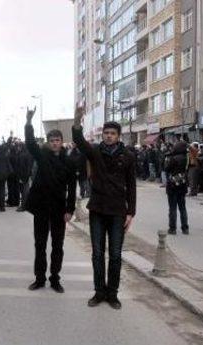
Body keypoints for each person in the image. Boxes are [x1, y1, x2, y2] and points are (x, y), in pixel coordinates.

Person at [73, 105, 136, 310]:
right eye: (106, 133)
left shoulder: (127, 156)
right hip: (98, 210)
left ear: (118, 136)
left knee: (116, 255)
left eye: (112, 133)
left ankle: (113, 294)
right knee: (97, 253)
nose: (108, 136)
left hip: (118, 211)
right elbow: (80, 142)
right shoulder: (95, 152)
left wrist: (131, 212)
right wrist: (77, 121)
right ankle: (99, 292)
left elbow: (132, 185)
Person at [24, 107, 76, 293]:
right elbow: (30, 144)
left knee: (57, 246)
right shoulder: (42, 156)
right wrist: (29, 122)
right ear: (48, 143)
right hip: (41, 208)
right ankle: (39, 278)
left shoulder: (69, 162)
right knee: (40, 244)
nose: (55, 143)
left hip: (59, 209)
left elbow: (72, 187)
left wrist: (70, 210)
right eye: (52, 141)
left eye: (57, 141)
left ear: (62, 142)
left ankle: (55, 278)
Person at [164, 142, 189, 235]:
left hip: (173, 185)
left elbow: (166, 168)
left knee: (172, 208)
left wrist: (167, 158)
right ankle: (185, 228)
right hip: (182, 184)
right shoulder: (186, 158)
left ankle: (172, 228)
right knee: (182, 208)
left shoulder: (173, 158)